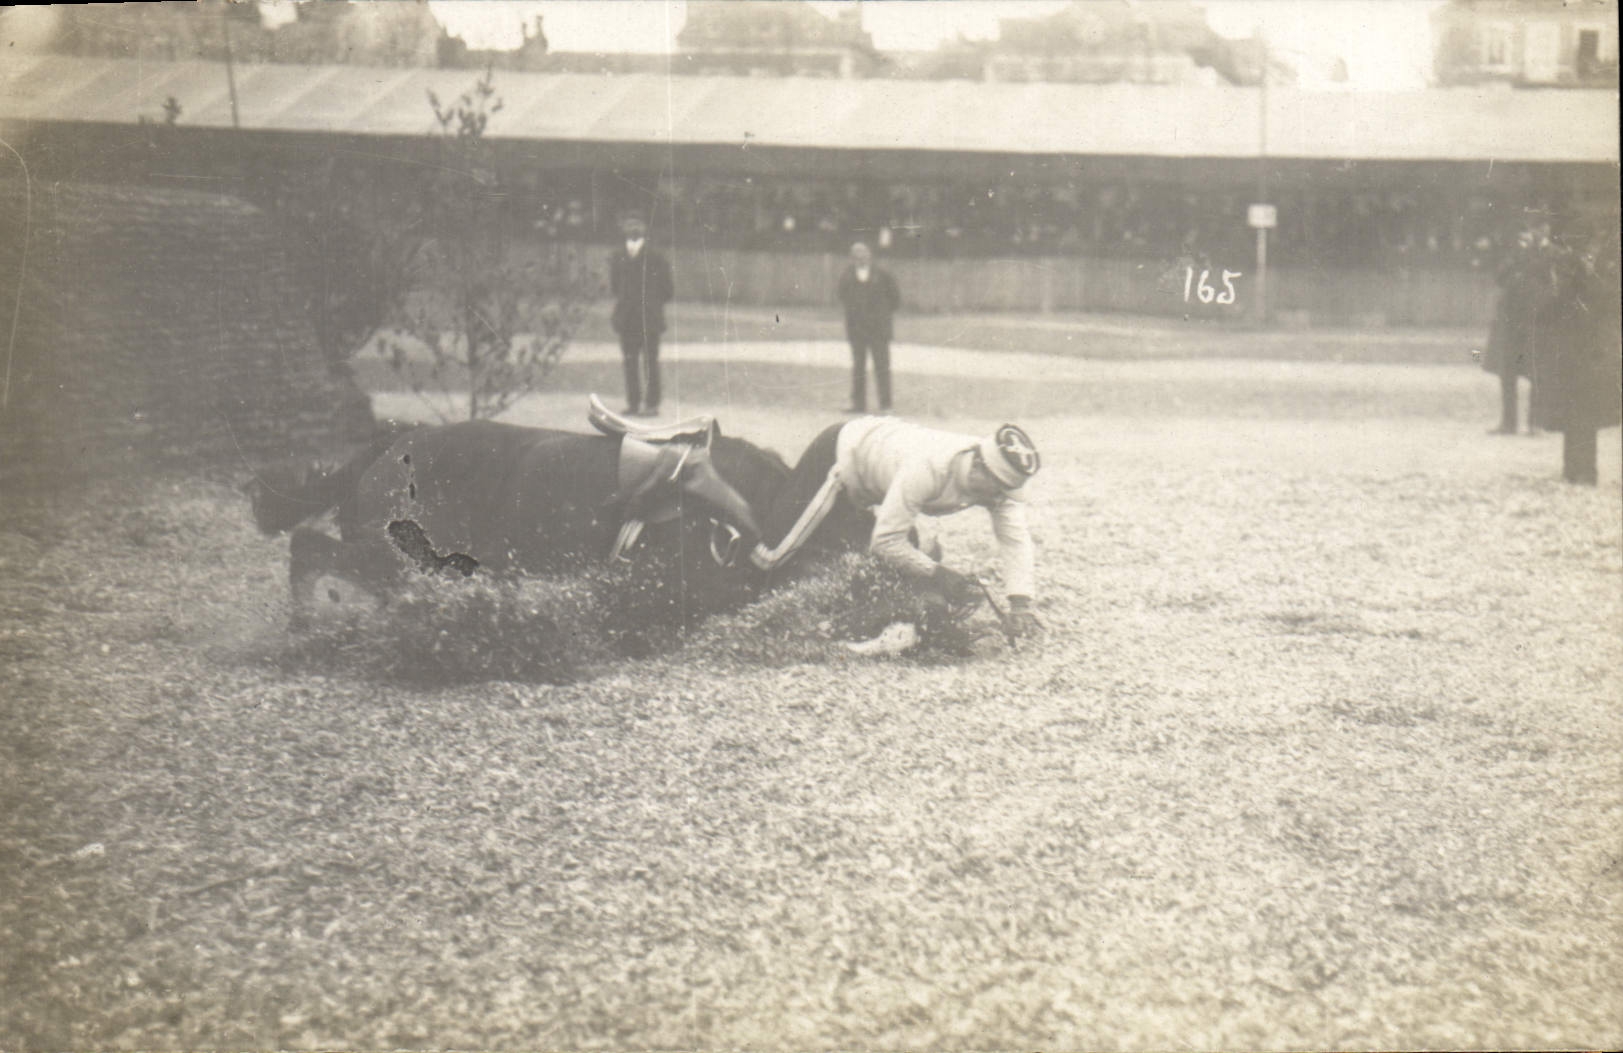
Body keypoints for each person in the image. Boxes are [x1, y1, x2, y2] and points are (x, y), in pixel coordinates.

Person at [751, 416, 1042, 641]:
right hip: (844, 456)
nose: (1000, 498)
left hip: (876, 487)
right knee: (773, 556)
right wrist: (939, 574)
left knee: (875, 570)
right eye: (999, 488)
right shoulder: (930, 466)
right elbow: (887, 542)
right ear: (978, 466)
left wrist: (1020, 604)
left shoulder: (998, 486)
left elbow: (1015, 541)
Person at [1528, 224, 1621, 486]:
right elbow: (1547, 310)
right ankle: (1573, 469)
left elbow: (1606, 303)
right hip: (1574, 351)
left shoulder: (1598, 275)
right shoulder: (1575, 274)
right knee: (1575, 412)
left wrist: (1581, 278)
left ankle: (1585, 471)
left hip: (1590, 352)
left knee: (1584, 413)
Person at [1481, 227, 1547, 435]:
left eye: (1529, 236)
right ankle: (1508, 423)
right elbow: (1499, 277)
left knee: (1536, 373)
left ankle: (1534, 423)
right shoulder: (1511, 257)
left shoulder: (1545, 256)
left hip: (1533, 323)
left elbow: (1546, 280)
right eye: (1521, 236)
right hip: (1510, 324)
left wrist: (1531, 256)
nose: (1524, 240)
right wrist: (1515, 259)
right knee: (1507, 374)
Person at [608, 211, 674, 417]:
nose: (634, 228)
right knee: (629, 362)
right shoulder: (618, 256)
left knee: (650, 362)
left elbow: (668, 289)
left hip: (649, 319)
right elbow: (615, 286)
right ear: (623, 227)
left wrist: (651, 304)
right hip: (627, 318)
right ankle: (633, 403)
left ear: (645, 227)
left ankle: (652, 404)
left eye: (638, 223)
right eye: (629, 223)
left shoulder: (656, 256)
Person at [837, 242, 901, 414]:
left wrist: (881, 316)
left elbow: (895, 299)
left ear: (870, 256)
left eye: (864, 254)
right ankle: (858, 404)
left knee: (882, 366)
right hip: (857, 329)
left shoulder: (883, 275)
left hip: (878, 330)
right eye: (857, 256)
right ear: (852, 259)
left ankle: (886, 405)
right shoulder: (847, 276)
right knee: (858, 366)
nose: (861, 258)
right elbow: (842, 297)